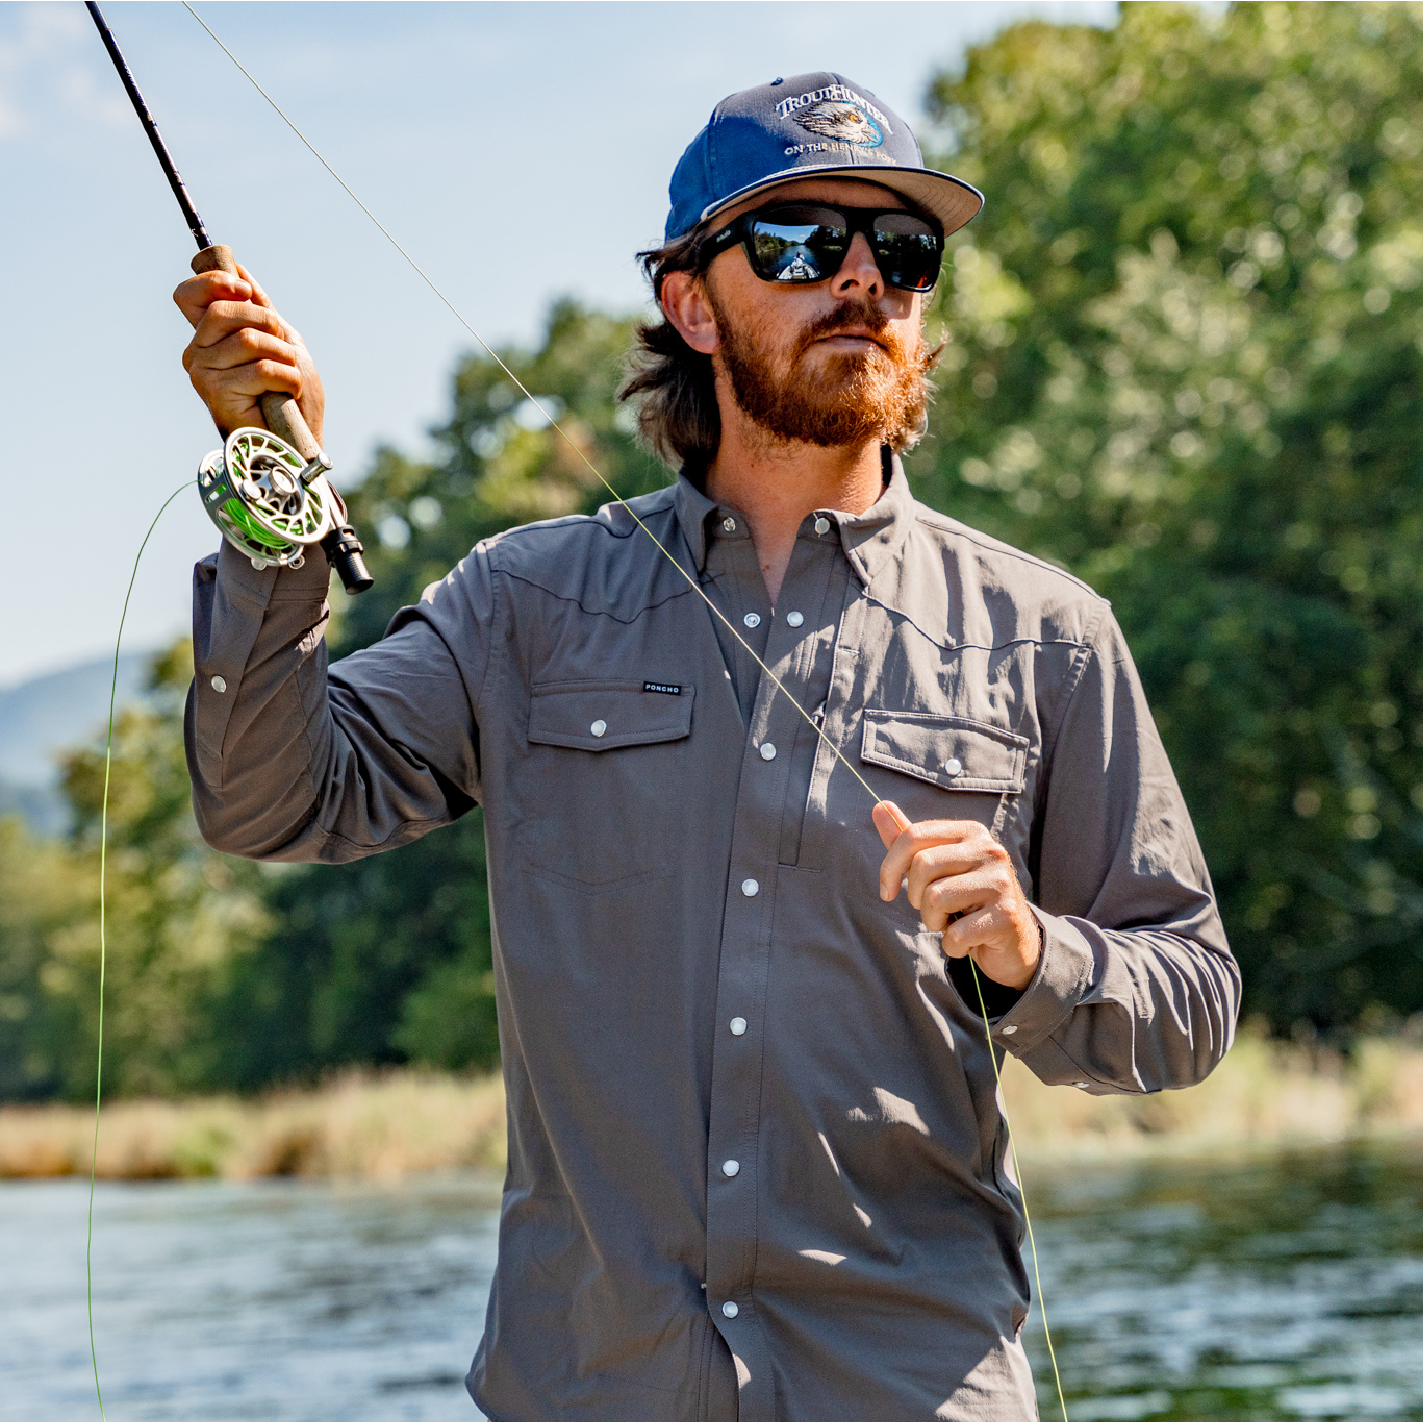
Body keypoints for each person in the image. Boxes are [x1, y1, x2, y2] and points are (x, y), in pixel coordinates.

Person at [174, 73, 1239, 1422]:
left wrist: (1035, 953)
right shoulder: (523, 602)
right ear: (688, 302)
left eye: (900, 254)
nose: (860, 280)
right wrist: (280, 488)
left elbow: (1189, 1002)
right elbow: (269, 799)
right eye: (799, 245)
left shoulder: (1051, 633)